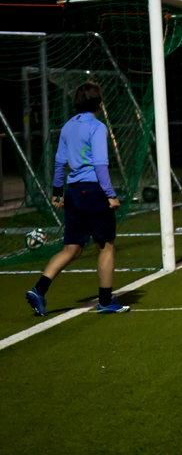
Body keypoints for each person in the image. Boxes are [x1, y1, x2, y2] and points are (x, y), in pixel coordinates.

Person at [25, 82, 129, 316]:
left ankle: (39, 290)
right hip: (92, 192)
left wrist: (57, 192)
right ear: (98, 103)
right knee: (106, 246)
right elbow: (100, 165)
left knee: (71, 249)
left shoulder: (67, 126)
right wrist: (110, 195)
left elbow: (60, 162)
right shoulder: (98, 127)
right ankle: (104, 302)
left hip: (72, 192)